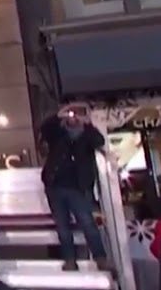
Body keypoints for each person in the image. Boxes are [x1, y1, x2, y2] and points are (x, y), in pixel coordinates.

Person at [38, 104, 109, 271]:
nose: (73, 117)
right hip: (55, 186)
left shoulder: (87, 134)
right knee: (62, 225)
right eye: (70, 113)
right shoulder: (57, 132)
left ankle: (101, 258)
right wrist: (58, 115)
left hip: (78, 187)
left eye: (77, 114)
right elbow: (45, 128)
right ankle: (70, 259)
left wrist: (87, 123)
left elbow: (99, 141)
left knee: (87, 222)